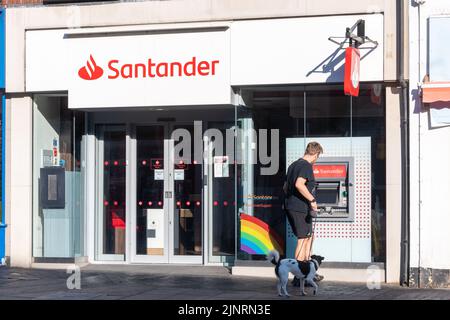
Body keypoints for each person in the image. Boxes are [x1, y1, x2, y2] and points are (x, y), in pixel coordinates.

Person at [283, 141, 324, 285]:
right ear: (315, 154)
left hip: (294, 206)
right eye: (317, 157)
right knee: (302, 239)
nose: (316, 160)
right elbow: (299, 184)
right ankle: (298, 276)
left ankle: (306, 273)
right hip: (299, 208)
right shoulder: (306, 166)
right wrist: (312, 200)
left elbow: (285, 187)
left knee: (309, 236)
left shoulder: (293, 165)